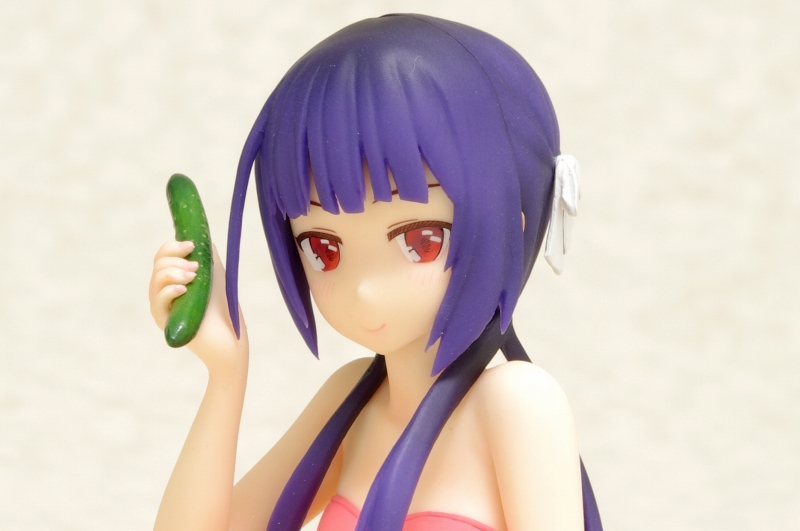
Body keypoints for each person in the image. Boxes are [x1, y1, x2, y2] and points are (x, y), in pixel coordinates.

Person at [149, 13, 600, 531]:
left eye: (420, 240)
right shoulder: (350, 402)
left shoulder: (518, 405)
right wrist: (226, 372)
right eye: (323, 248)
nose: (363, 289)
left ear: (509, 222)